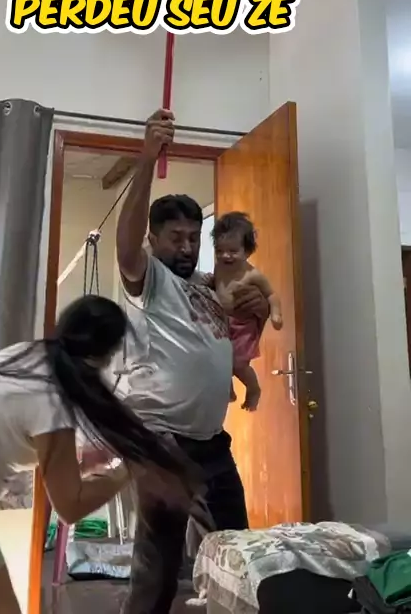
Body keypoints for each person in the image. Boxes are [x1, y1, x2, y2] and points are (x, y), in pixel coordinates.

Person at [0, 295, 195, 614]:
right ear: (105, 356)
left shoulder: (24, 357)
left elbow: (27, 441)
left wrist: (84, 461)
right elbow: (71, 505)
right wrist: (127, 469)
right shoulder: (52, 396)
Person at [115, 108, 270, 614]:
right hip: (163, 441)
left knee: (237, 552)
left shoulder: (205, 287)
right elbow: (125, 242)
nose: (185, 247)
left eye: (191, 238)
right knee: (159, 570)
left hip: (210, 443)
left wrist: (258, 307)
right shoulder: (150, 280)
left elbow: (237, 327)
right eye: (174, 238)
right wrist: (147, 157)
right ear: (154, 240)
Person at [208, 211, 283, 411]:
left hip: (243, 326)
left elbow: (271, 295)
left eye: (233, 251)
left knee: (239, 364)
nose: (225, 256)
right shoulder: (219, 267)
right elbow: (217, 285)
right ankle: (229, 391)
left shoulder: (252, 275)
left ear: (247, 251)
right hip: (223, 321)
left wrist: (276, 314)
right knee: (219, 356)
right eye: (219, 250)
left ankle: (253, 388)